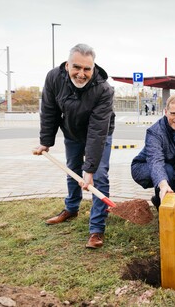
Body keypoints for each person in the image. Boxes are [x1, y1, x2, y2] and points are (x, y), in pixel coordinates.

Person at [33, 43, 115, 249]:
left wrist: (90, 169)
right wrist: (46, 141)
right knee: (72, 169)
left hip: (99, 134)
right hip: (71, 132)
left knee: (99, 175)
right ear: (67, 65)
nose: (81, 74)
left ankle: (97, 228)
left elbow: (97, 131)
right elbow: (49, 110)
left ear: (93, 67)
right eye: (76, 67)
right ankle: (71, 208)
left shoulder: (104, 89)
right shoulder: (54, 78)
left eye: (87, 69)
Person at [131, 95, 175, 211]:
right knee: (166, 169)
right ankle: (162, 210)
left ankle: (156, 198)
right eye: (173, 113)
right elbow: (155, 161)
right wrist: (163, 185)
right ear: (166, 112)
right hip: (144, 168)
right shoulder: (154, 131)